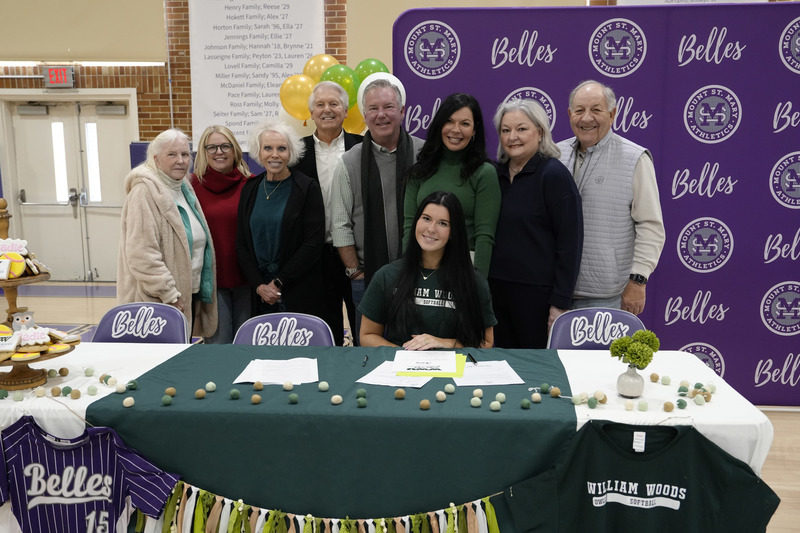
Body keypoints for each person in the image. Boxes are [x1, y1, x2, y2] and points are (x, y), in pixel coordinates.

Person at [557, 80, 665, 315]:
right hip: (555, 294)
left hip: (607, 298)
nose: (587, 118)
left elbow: (650, 226)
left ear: (612, 114)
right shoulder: (554, 155)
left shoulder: (635, 158)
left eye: (596, 110)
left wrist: (638, 281)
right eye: (579, 110)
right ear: (569, 114)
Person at [331, 77, 424, 344]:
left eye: (388, 107)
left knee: (421, 350)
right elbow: (340, 225)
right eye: (373, 108)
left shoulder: (426, 154)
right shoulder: (349, 162)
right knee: (371, 353)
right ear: (364, 115)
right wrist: (355, 273)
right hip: (368, 278)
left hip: (422, 276)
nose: (381, 115)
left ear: (403, 111)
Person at [489, 99, 583, 349]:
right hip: (494, 295)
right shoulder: (494, 175)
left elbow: (570, 243)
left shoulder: (553, 175)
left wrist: (559, 303)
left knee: (531, 370)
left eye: (521, 129)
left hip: (536, 300)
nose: (512, 137)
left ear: (539, 132)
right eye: (505, 130)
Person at [359, 191, 495, 349]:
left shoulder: (473, 280)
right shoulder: (386, 275)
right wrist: (406, 355)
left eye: (443, 223)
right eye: (426, 218)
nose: (431, 229)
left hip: (455, 370)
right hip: (401, 369)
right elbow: (367, 335)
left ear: (454, 232)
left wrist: (443, 343)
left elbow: (485, 342)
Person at [117, 128, 217, 338]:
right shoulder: (144, 192)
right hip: (158, 300)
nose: (180, 160)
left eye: (185, 154)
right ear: (157, 159)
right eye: (172, 154)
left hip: (187, 293)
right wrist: (168, 293)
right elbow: (142, 254)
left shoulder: (184, 188)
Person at [291, 81, 363, 345]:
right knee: (324, 330)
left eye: (334, 104)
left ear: (345, 111)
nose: (327, 109)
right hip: (315, 257)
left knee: (363, 325)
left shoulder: (363, 147)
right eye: (320, 105)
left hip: (358, 255)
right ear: (311, 114)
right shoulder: (295, 153)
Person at [403, 93, 500, 277]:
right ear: (440, 125)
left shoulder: (484, 173)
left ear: (474, 130)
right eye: (449, 121)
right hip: (421, 268)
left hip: (464, 270)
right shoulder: (419, 171)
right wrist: (406, 273)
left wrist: (478, 285)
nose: (456, 130)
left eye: (465, 123)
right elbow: (409, 226)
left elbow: (485, 237)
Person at [236, 121, 324, 318]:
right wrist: (259, 285)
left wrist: (278, 283)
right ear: (259, 152)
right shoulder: (250, 189)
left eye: (281, 148)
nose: (274, 154)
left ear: (291, 153)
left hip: (297, 290)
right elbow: (241, 244)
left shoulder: (307, 188)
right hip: (258, 295)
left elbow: (313, 244)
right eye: (268, 148)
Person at [190, 125, 251, 344]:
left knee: (247, 346)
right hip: (212, 283)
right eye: (212, 147)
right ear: (204, 152)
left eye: (225, 146)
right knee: (219, 345)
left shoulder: (251, 184)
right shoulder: (191, 186)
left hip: (249, 281)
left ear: (234, 150)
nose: (219, 152)